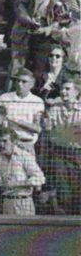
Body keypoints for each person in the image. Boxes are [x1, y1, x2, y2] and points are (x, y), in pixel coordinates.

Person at [42, 79, 81, 213]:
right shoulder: (55, 109)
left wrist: (62, 134)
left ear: (77, 92)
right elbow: (49, 131)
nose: (64, 92)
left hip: (78, 153)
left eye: (68, 89)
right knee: (62, 185)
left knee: (77, 185)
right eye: (63, 89)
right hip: (59, 152)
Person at [0, 131, 46, 214]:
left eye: (5, 141)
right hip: (7, 202)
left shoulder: (24, 156)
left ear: (14, 142)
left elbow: (40, 179)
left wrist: (18, 183)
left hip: (23, 201)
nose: (1, 144)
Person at [0, 68, 46, 150]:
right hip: (6, 143)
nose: (20, 84)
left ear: (32, 84)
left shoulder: (37, 101)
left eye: (24, 82)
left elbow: (37, 128)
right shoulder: (4, 98)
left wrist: (16, 121)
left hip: (26, 143)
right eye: (17, 81)